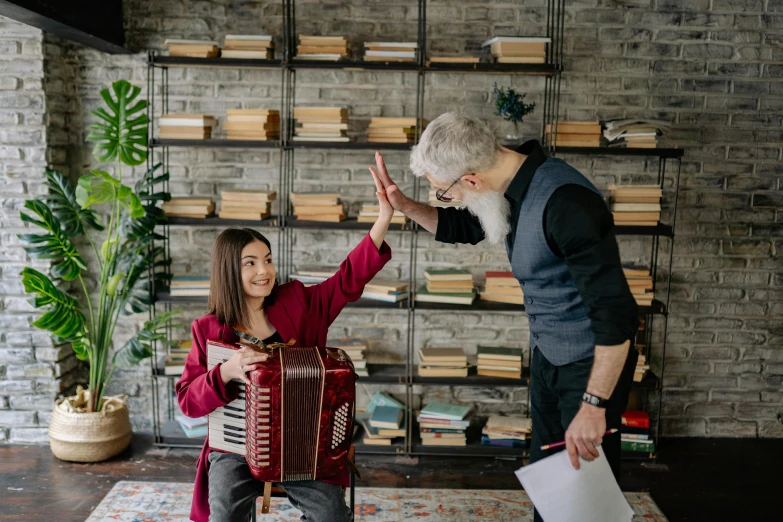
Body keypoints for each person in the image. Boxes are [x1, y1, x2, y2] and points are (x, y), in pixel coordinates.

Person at [371, 112, 639, 521]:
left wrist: (593, 404)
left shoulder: (566, 203)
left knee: (587, 497)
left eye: (445, 192)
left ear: (472, 179)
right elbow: (465, 226)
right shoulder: (510, 182)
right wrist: (404, 206)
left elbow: (616, 316)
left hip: (590, 367)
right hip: (550, 355)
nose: (449, 199)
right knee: (552, 479)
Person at [176, 171, 395, 522]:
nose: (265, 270)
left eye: (267, 259)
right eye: (251, 263)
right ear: (229, 271)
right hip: (236, 449)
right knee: (224, 516)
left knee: (332, 517)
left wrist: (383, 218)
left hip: (302, 448)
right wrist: (226, 371)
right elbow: (187, 402)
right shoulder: (209, 330)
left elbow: (347, 279)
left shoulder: (299, 303)